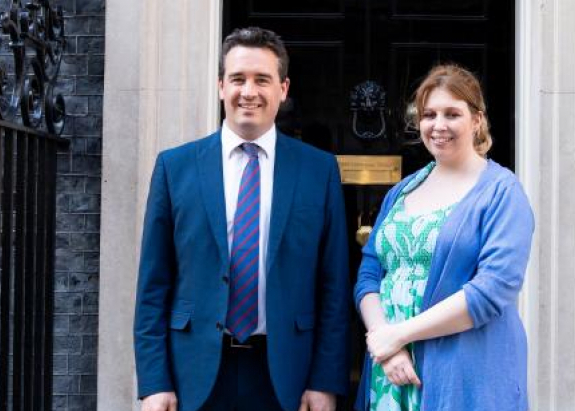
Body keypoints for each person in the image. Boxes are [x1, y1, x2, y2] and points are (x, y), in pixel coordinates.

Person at [134, 27, 350, 411]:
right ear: (220, 86)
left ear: (283, 89)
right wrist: (154, 382)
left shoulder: (319, 171)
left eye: (262, 80)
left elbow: (333, 285)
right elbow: (154, 284)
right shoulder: (175, 167)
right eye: (238, 79)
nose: (248, 91)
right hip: (193, 376)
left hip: (287, 376)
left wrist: (325, 381)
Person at [354, 64, 534, 411]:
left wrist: (400, 335)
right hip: (391, 369)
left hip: (465, 371)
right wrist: (385, 342)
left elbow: (491, 291)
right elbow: (370, 272)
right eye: (428, 115)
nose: (438, 125)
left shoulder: (502, 193)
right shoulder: (403, 190)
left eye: (452, 114)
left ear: (477, 120)